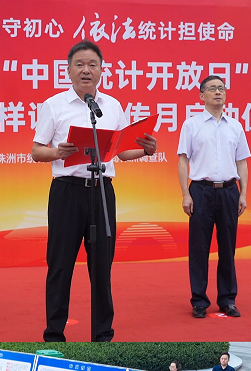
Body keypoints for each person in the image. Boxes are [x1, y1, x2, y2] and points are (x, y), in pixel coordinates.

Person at [30, 40, 157, 341]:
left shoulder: (111, 106)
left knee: (101, 265)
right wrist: (57, 152)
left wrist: (146, 150)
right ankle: (54, 334)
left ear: (101, 70)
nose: (86, 70)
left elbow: (121, 152)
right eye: (80, 64)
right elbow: (36, 151)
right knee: (60, 264)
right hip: (67, 192)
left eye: (92, 65)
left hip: (101, 192)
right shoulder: (54, 105)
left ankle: (103, 335)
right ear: (68, 70)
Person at [179, 74, 250, 318]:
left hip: (229, 191)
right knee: (199, 248)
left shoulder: (235, 126)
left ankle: (228, 299)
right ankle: (199, 301)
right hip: (201, 191)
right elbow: (183, 160)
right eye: (212, 88)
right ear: (202, 96)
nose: (218, 92)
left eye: (221, 88)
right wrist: (186, 194)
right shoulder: (191, 125)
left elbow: (242, 162)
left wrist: (243, 193)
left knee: (228, 248)